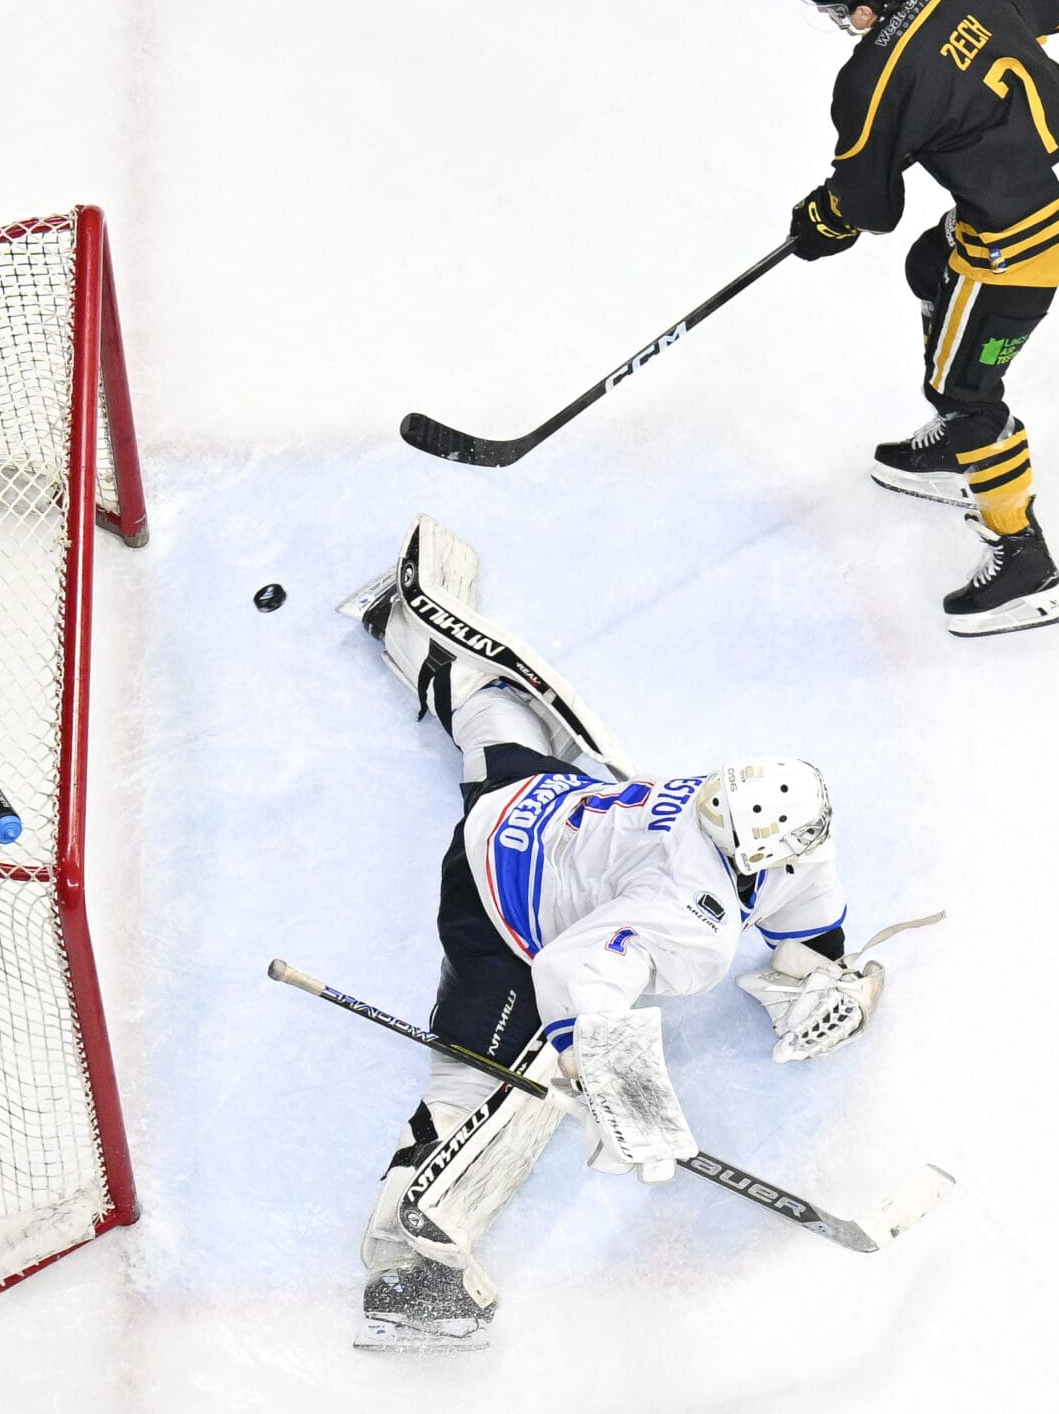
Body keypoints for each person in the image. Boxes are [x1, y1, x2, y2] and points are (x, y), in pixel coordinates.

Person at [337, 515, 893, 1349]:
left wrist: (818, 975)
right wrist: (626, 1097)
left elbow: (810, 911)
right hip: (498, 903)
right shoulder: (692, 916)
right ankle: (402, 1276)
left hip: (542, 805)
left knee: (498, 720)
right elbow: (576, 967)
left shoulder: (736, 803)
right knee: (470, 1080)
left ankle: (403, 617)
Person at [788, 0, 1059, 637]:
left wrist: (825, 217)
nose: (842, 25)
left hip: (1024, 240)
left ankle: (1023, 560)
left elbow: (869, 207)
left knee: (966, 389)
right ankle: (953, 450)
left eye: (837, 11)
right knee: (928, 263)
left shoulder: (871, 81)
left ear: (861, 3)